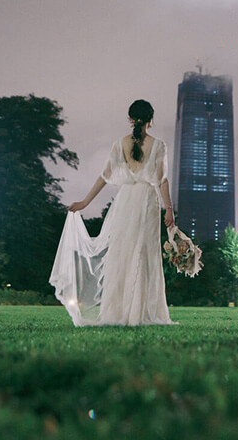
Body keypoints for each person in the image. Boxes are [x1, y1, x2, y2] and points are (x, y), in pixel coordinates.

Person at [49, 99, 176, 326]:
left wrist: (86, 202)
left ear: (130, 119)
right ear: (150, 120)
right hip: (146, 200)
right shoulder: (159, 146)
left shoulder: (120, 144)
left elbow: (104, 177)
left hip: (126, 200)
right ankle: (140, 311)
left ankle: (118, 311)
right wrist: (169, 209)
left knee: (122, 253)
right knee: (144, 255)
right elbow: (162, 180)